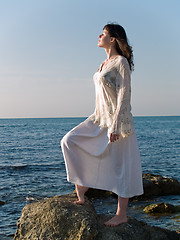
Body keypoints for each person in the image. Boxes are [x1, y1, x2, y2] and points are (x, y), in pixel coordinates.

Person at [61, 23, 143, 227]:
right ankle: (82, 188)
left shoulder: (120, 62)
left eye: (103, 34)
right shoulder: (104, 63)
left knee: (120, 165)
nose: (99, 36)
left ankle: (121, 214)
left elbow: (124, 95)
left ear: (113, 39)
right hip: (99, 118)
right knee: (69, 141)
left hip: (117, 121)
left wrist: (115, 125)